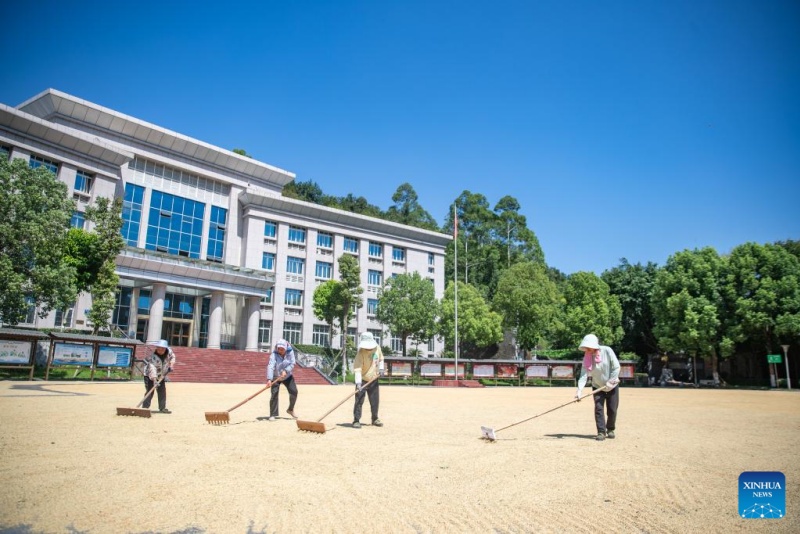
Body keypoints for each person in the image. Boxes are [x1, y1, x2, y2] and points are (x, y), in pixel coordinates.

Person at [575, 334, 620, 441]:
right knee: (599, 409)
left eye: (589, 346)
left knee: (612, 410)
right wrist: (579, 391)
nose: (587, 349)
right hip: (597, 386)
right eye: (586, 347)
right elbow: (583, 374)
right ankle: (601, 432)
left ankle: (610, 429)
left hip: (612, 385)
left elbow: (616, 367)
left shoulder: (607, 350)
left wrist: (611, 381)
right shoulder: (587, 357)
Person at [352, 332, 385, 429]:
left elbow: (381, 359)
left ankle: (375, 419)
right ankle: (356, 420)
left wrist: (381, 369)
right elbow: (357, 369)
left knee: (375, 400)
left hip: (374, 379)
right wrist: (358, 383)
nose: (369, 348)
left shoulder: (377, 348)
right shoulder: (360, 353)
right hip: (362, 380)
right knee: (359, 400)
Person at [266, 339, 298, 421]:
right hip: (276, 376)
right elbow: (270, 366)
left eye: (282, 349)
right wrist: (269, 379)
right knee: (274, 394)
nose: (280, 351)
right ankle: (272, 414)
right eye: (279, 349)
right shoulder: (274, 354)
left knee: (294, 392)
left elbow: (292, 363)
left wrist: (286, 370)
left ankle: (290, 409)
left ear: (285, 348)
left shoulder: (290, 352)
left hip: (287, 376)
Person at [143, 339, 176, 414]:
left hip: (161, 374)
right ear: (156, 348)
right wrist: (154, 381)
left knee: (162, 391)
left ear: (165, 348)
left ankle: (162, 408)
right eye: (159, 348)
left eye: (162, 349)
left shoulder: (169, 352)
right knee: (150, 391)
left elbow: (173, 357)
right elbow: (152, 370)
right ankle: (145, 408)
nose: (160, 350)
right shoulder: (153, 358)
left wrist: (171, 365)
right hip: (149, 375)